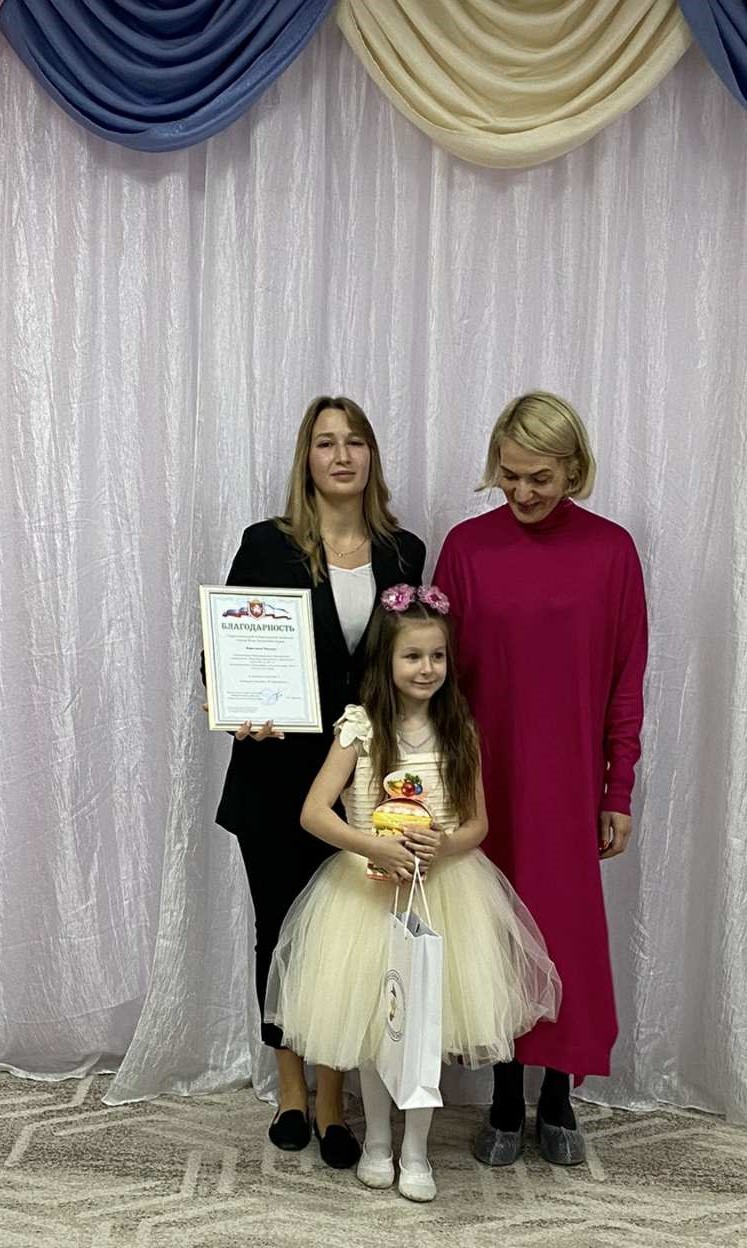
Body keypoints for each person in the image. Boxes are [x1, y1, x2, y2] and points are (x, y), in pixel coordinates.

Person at [264, 587, 560, 1201]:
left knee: (421, 1027)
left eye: (437, 657)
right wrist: (371, 845)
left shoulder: (459, 729)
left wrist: (444, 844)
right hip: (366, 898)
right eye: (412, 656)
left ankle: (417, 1151)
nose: (427, 669)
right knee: (378, 1027)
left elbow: (477, 824)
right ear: (386, 660)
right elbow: (314, 812)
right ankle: (377, 1141)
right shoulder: (359, 728)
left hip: (443, 897)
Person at [210, 396, 425, 1168]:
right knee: (279, 933)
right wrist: (237, 709)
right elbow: (222, 652)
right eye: (325, 442)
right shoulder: (265, 544)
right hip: (273, 776)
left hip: (362, 781)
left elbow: (411, 657)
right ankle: (291, 1092)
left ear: (371, 456)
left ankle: (334, 1100)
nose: (341, 455)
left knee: (347, 938)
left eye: (354, 442)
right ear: (306, 458)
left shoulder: (404, 552)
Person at [434, 391, 648, 1167]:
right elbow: (435, 673)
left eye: (540, 478)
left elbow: (625, 681)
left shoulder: (610, 552)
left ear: (573, 470)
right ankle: (501, 1097)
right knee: (491, 932)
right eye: (509, 474)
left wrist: (615, 790)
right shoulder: (466, 548)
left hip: (568, 782)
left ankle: (556, 1096)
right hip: (483, 780)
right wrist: (434, 780)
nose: (521, 492)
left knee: (563, 937)